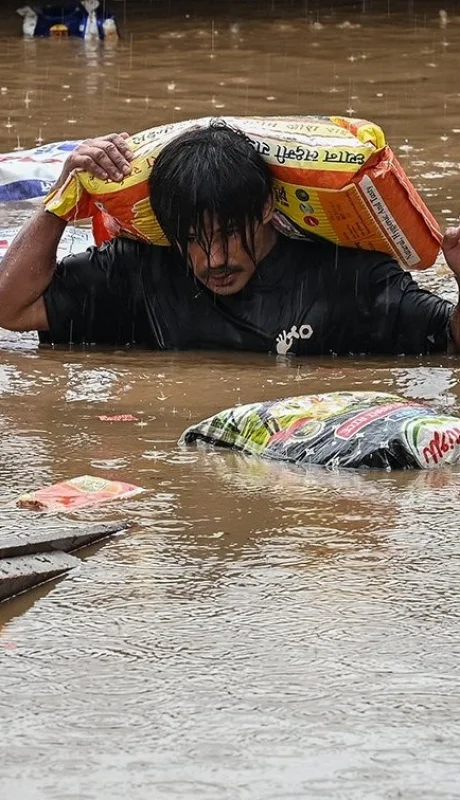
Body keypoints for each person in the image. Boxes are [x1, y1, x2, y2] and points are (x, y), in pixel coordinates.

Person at [1, 122, 460, 356]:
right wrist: (61, 199)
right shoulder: (138, 272)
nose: (213, 259)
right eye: (193, 240)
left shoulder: (346, 278)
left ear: (265, 209)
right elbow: (10, 307)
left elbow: (449, 339)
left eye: (227, 234)